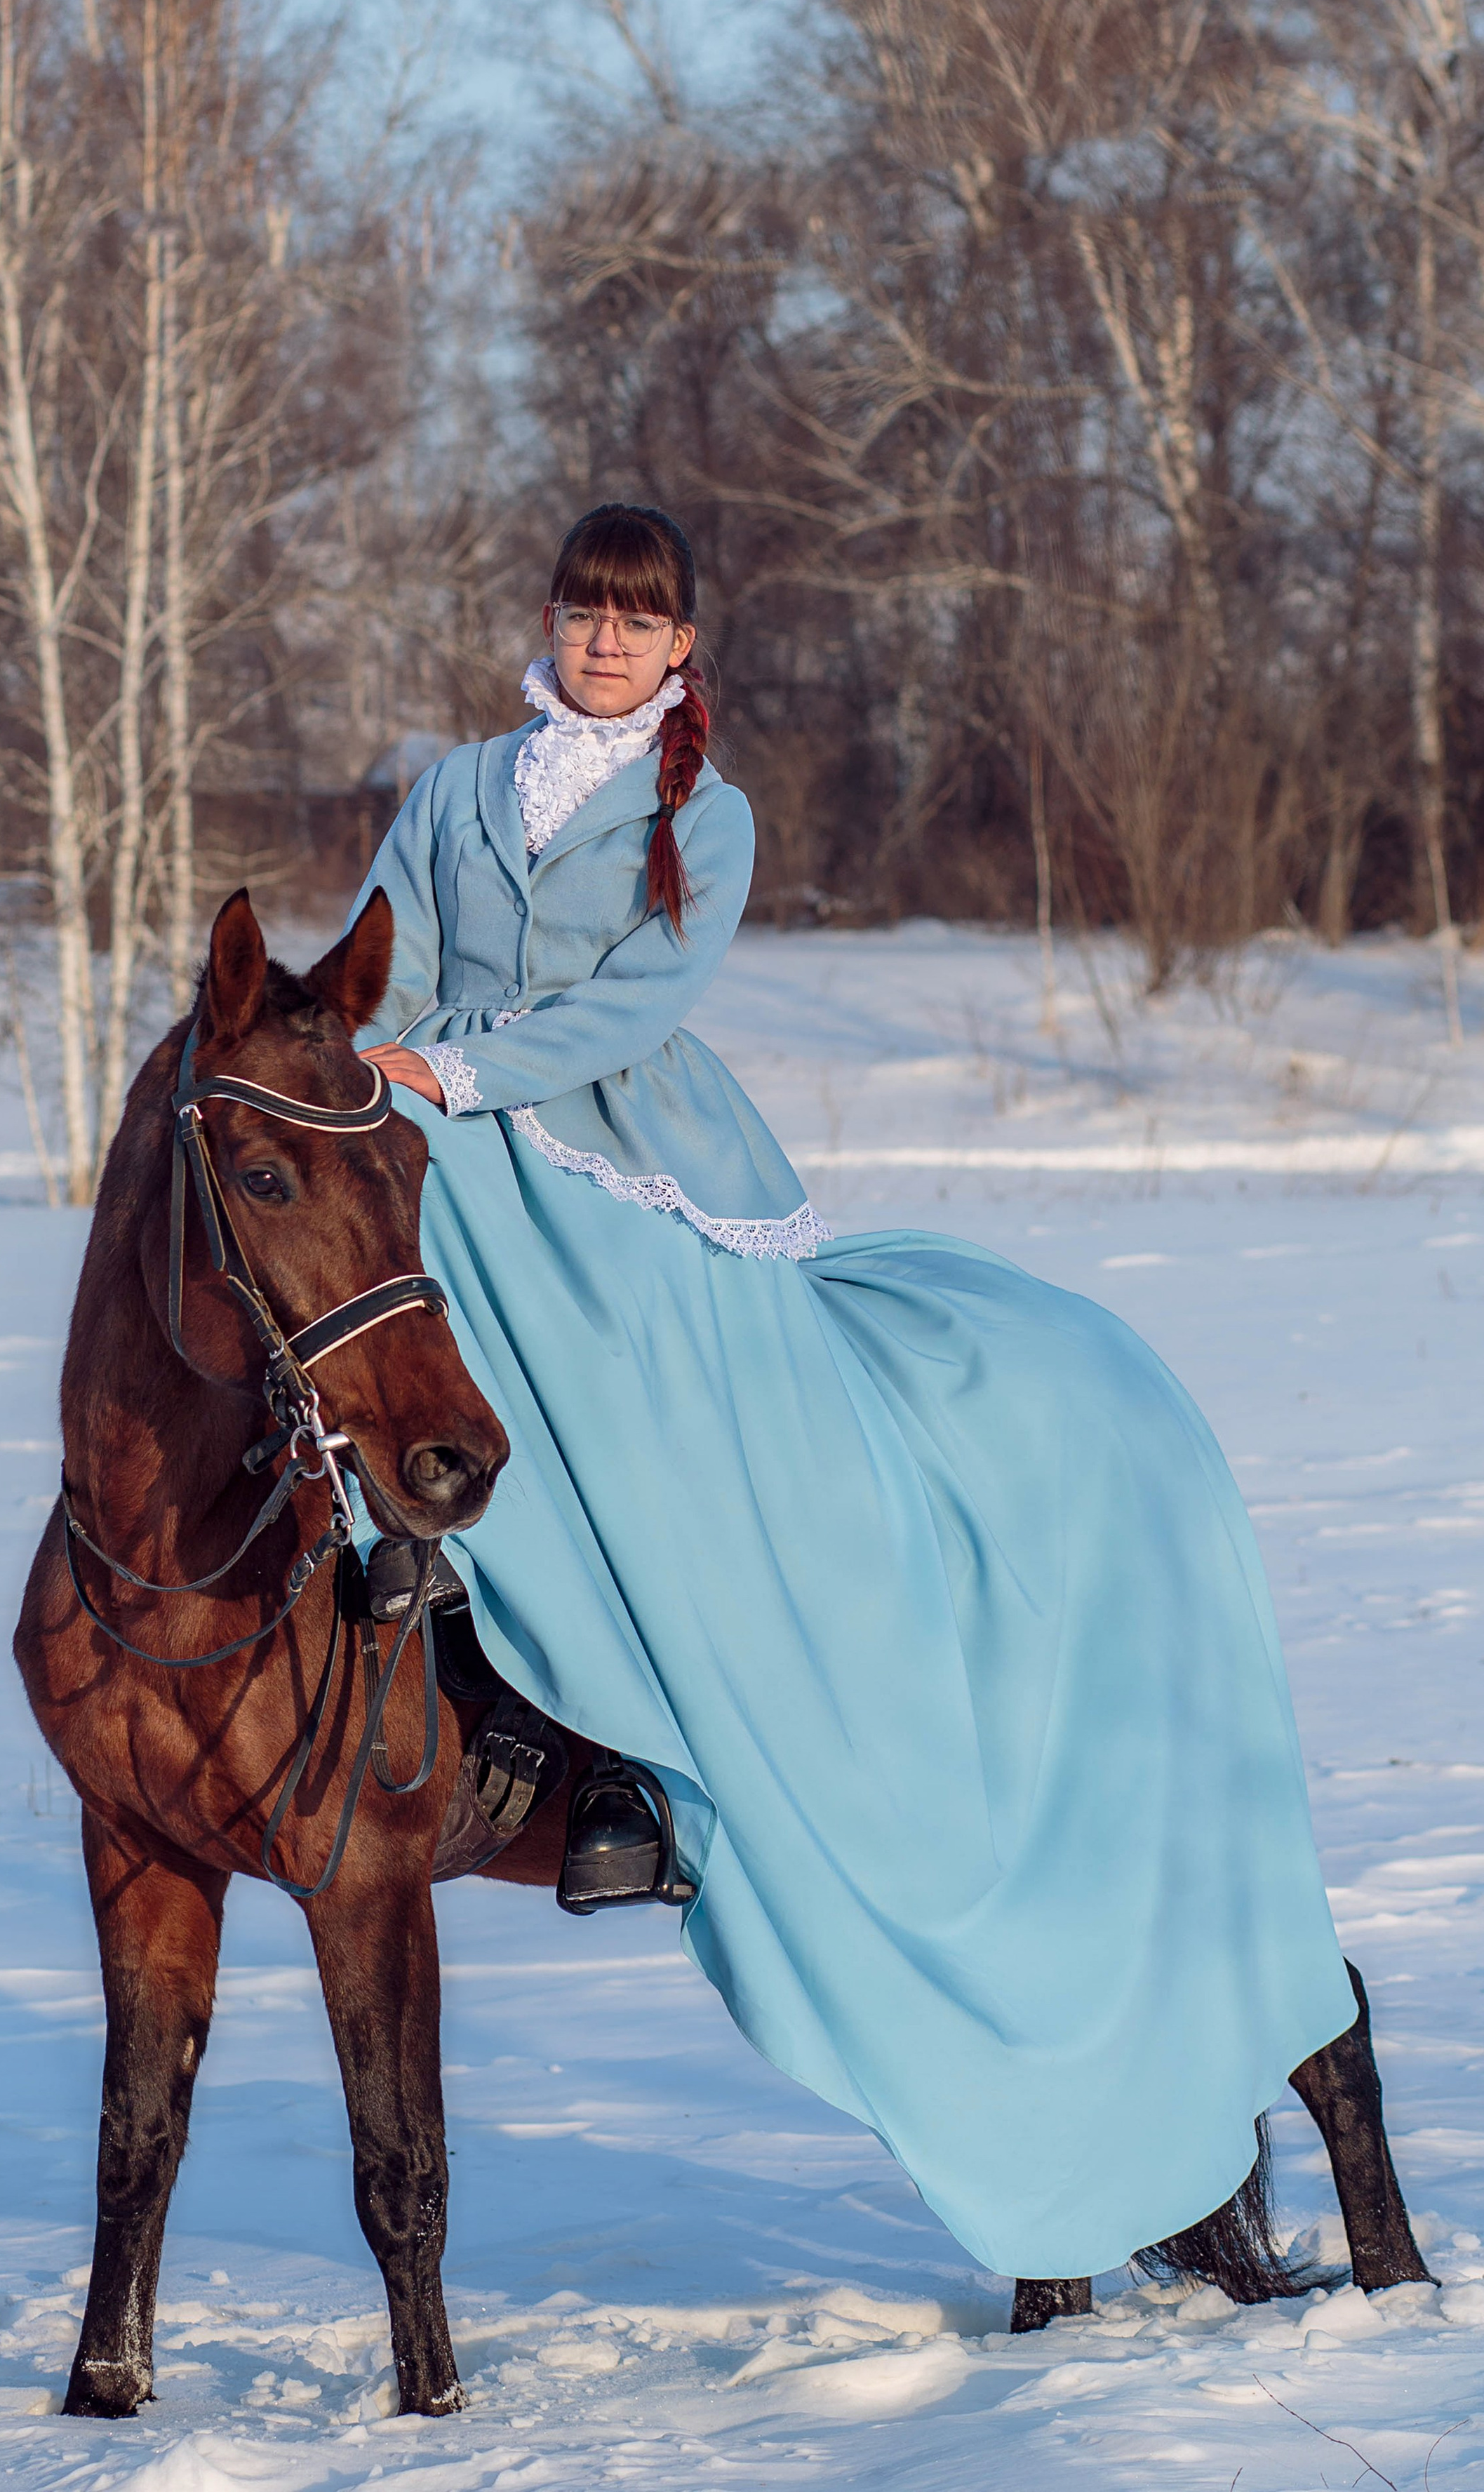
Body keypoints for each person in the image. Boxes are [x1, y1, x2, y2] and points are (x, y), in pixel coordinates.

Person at [344, 499, 1356, 2284]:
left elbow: (635, 1009)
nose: (600, 643)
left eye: (634, 624)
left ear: (678, 651)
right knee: (344, 1308)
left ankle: (647, 1749)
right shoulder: (452, 787)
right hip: (435, 1113)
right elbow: (390, 948)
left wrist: (458, 1070)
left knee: (608, 1352)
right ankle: (410, 1575)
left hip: (616, 1151)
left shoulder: (699, 815)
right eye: (582, 612)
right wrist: (369, 1056)